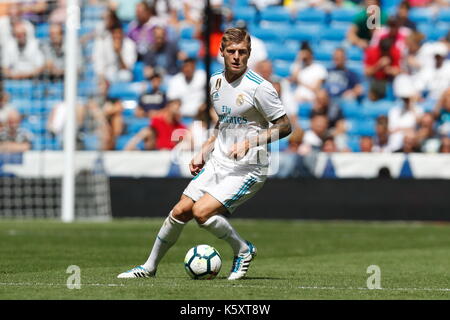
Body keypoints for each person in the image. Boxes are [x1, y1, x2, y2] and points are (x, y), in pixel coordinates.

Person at [117, 27, 292, 280]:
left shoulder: (260, 88)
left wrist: (251, 142)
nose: (236, 57)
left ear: (249, 54)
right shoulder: (215, 82)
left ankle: (242, 250)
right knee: (179, 212)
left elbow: (285, 126)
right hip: (218, 162)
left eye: (242, 52)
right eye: (231, 51)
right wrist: (204, 149)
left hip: (248, 168)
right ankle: (149, 267)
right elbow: (224, 123)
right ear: (221, 52)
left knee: (201, 212)